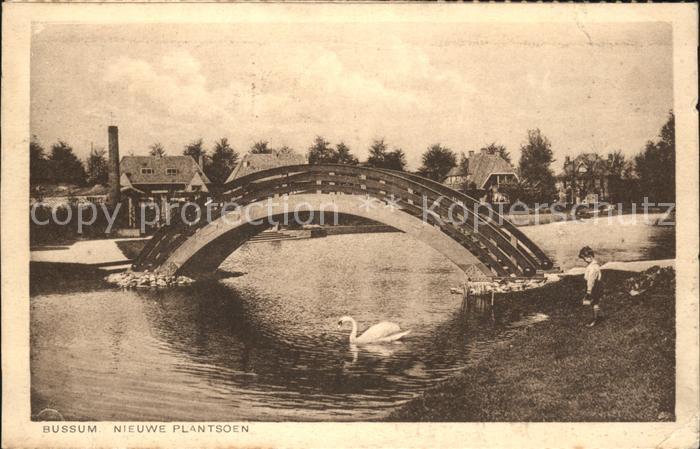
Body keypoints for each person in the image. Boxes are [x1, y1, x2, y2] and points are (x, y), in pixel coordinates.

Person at [579, 246, 602, 327]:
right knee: (595, 302)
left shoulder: (592, 267)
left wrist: (589, 291)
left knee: (593, 302)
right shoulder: (595, 265)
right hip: (596, 286)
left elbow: (591, 280)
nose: (584, 260)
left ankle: (594, 320)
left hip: (593, 287)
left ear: (590, 257)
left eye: (584, 258)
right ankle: (595, 318)